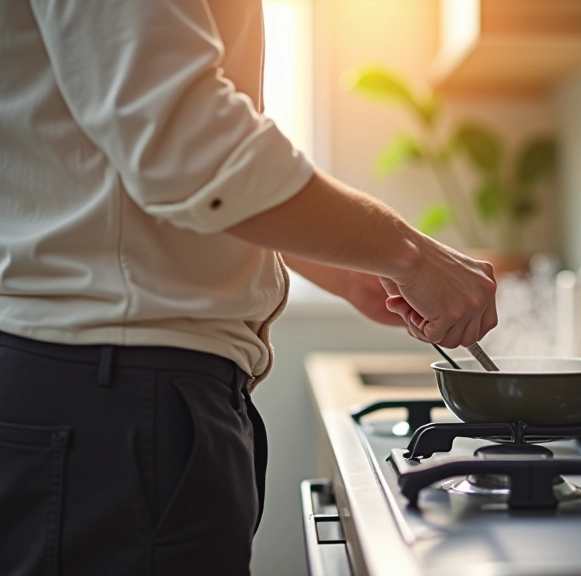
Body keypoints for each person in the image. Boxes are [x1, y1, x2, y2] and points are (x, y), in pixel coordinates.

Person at [0, 1, 497, 574]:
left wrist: (343, 263)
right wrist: (411, 256)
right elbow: (189, 146)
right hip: (115, 403)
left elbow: (137, 165)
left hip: (116, 393)